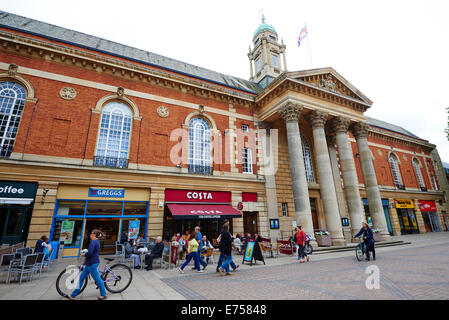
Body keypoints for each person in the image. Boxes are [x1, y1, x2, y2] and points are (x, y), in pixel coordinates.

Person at [67, 229, 107, 300]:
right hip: (90, 263)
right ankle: (73, 295)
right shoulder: (96, 241)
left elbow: (90, 253)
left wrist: (83, 254)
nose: (90, 234)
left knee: (98, 279)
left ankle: (103, 295)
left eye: (91, 233)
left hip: (92, 264)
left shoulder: (93, 242)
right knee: (81, 278)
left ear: (94, 235)